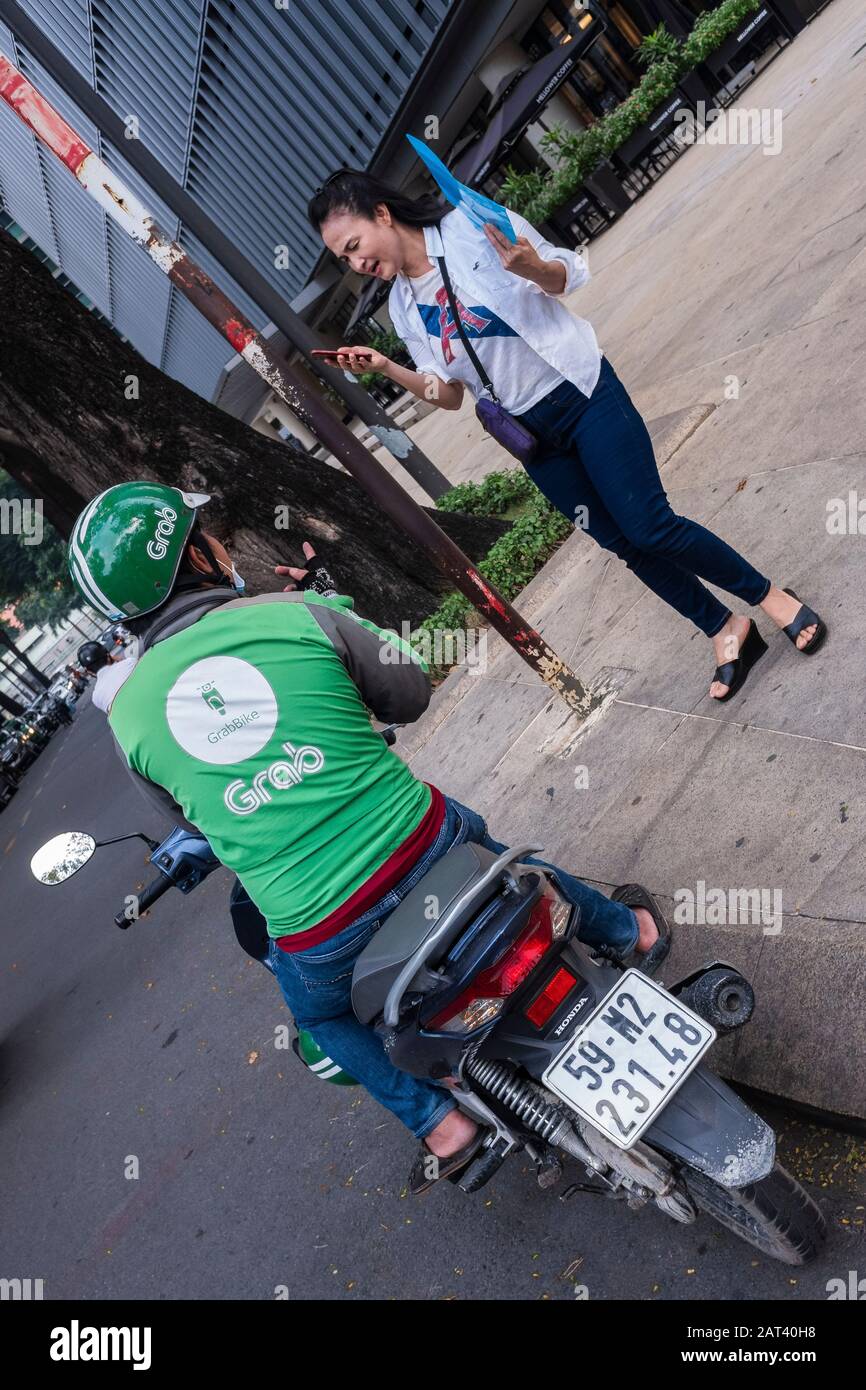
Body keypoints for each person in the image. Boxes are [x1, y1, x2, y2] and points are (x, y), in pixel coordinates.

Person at [67, 482, 664, 1193]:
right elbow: (408, 695)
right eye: (208, 533)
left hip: (325, 933)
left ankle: (443, 1126)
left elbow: (196, 824)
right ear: (192, 555)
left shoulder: (128, 720)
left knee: (319, 1015)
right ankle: (632, 931)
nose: (220, 543)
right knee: (505, 865)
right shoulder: (292, 613)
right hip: (428, 845)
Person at [309, 170, 827, 702]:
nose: (356, 264)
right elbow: (448, 394)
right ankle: (724, 628)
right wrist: (386, 368)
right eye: (344, 261)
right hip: (533, 437)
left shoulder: (469, 224)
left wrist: (532, 266)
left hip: (582, 392)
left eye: (354, 246)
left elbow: (569, 273)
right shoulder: (401, 307)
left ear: (382, 214)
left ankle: (771, 598)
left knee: (650, 525)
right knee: (622, 543)